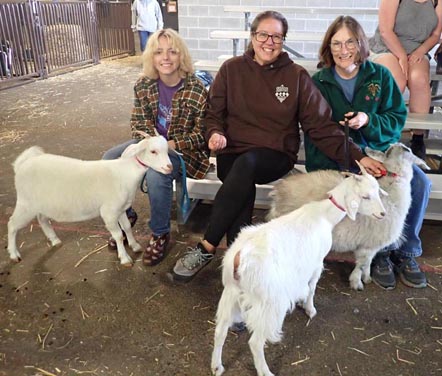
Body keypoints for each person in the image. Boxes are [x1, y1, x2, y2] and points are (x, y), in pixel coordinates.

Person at [170, 10, 385, 283]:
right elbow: (213, 114)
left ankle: (207, 246)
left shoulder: (295, 76)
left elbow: (319, 126)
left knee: (246, 166)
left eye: (277, 36)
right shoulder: (231, 69)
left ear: (283, 40)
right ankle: (240, 268)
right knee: (241, 179)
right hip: (232, 151)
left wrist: (358, 156)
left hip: (274, 154)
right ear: (253, 36)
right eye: (263, 34)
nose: (269, 42)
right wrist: (214, 133)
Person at [306, 15, 431, 289]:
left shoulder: (380, 76)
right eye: (336, 43)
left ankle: (406, 251)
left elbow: (396, 119)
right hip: (340, 158)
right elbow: (318, 130)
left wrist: (368, 120)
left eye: (350, 42)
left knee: (420, 182)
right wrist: (354, 155)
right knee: (365, 187)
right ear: (328, 48)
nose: (343, 50)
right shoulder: (319, 83)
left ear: (361, 44)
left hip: (378, 153)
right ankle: (380, 252)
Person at [103, 28, 210, 266]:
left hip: (183, 151)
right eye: (159, 52)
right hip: (149, 144)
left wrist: (168, 145)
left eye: (172, 51)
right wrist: (152, 147)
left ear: (181, 56)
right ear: (151, 57)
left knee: (155, 176)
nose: (166, 57)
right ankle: (126, 215)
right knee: (109, 158)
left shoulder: (196, 89)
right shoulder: (143, 85)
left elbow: (201, 135)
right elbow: (138, 123)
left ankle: (160, 232)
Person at [368, 0, 442, 159]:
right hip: (388, 47)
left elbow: (436, 35)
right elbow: (385, 31)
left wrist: (420, 52)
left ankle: (418, 138)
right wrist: (401, 56)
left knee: (419, 79)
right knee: (396, 79)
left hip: (416, 49)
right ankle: (381, 132)